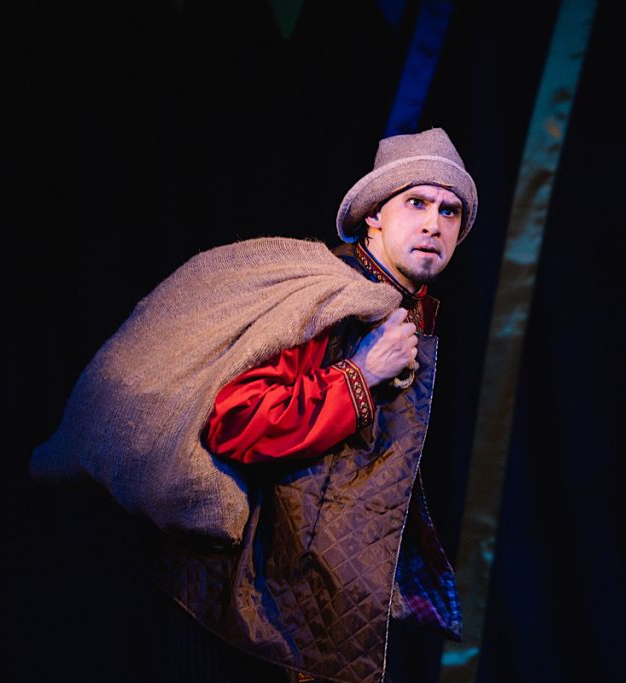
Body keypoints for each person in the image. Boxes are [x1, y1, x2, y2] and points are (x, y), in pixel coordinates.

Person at [154, 127, 476, 683]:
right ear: (374, 216)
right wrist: (360, 375)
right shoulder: (326, 298)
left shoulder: (401, 310)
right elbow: (236, 420)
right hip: (240, 615)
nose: (433, 223)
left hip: (305, 613)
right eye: (416, 203)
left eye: (450, 211)